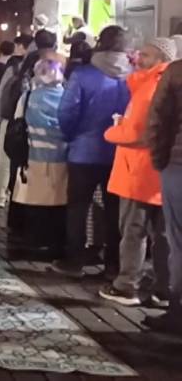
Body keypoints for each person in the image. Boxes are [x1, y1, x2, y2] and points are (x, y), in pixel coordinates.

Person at [98, 38, 176, 307]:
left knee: (133, 230)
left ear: (159, 59)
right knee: (163, 235)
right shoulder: (164, 85)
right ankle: (164, 289)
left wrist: (111, 131)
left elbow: (138, 132)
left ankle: (126, 285)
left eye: (144, 54)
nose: (137, 58)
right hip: (161, 173)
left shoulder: (150, 88)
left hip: (139, 171)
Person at [53, 26, 131, 278]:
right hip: (120, 152)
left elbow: (67, 112)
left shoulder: (84, 75)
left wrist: (71, 135)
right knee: (114, 210)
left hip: (84, 151)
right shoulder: (134, 77)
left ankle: (73, 260)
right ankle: (112, 264)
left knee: (78, 207)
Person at [9, 58, 69, 258]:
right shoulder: (67, 98)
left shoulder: (28, 98)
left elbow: (18, 123)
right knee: (58, 200)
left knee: (35, 200)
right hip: (61, 156)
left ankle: (34, 239)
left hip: (33, 155)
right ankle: (54, 241)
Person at [146, 53, 182, 333]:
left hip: (178, 166)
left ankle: (177, 308)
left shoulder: (176, 73)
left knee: (178, 240)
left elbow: (158, 120)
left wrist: (160, 161)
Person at [0, 35, 32, 207]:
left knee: (5, 159)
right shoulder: (35, 66)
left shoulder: (13, 68)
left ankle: (0, 194)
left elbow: (1, 94)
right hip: (29, 119)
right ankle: (16, 195)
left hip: (10, 118)